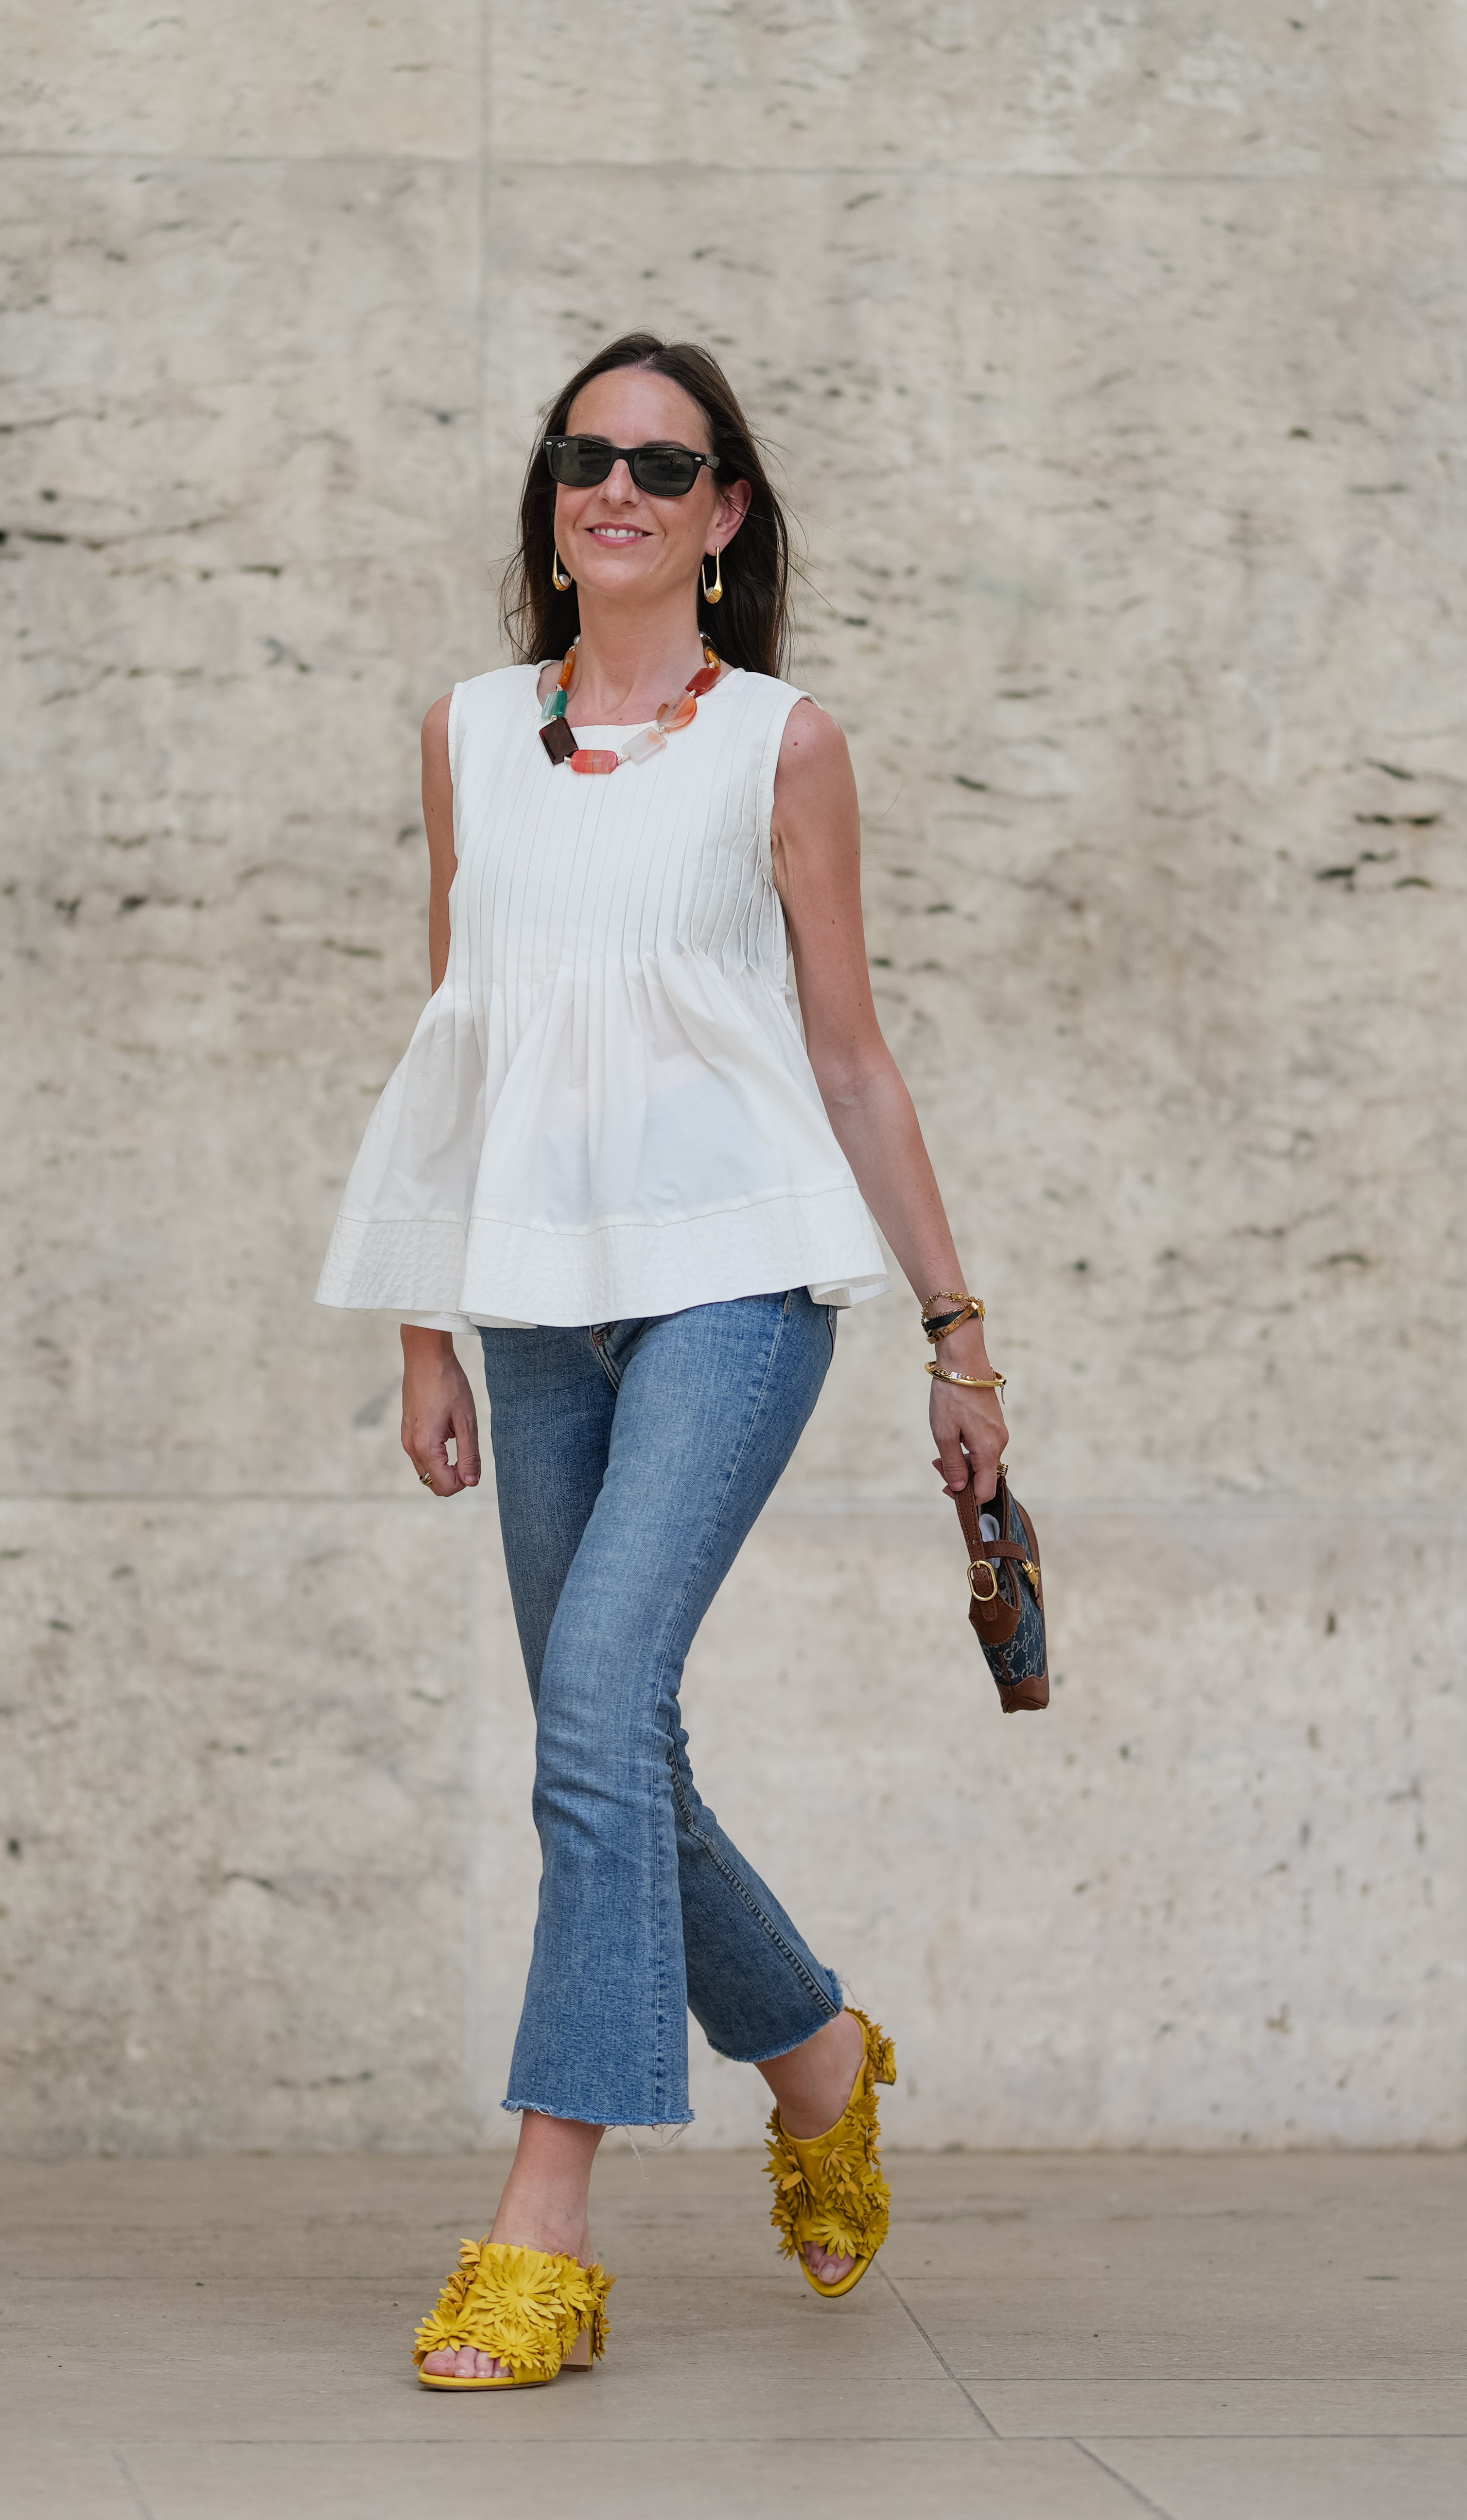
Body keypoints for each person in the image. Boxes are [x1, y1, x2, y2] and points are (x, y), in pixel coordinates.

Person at [316, 332, 1012, 2391]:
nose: (615, 485)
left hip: (737, 1283)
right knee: (613, 1742)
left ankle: (544, 2225)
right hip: (531, 1296)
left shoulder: (781, 745)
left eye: (662, 461)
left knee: (596, 1714)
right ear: (554, 501)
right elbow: (457, 1040)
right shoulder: (467, 733)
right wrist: (426, 1323)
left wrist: (960, 1337)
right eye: (583, 454)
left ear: (725, 515)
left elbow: (848, 1053)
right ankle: (816, 2056)